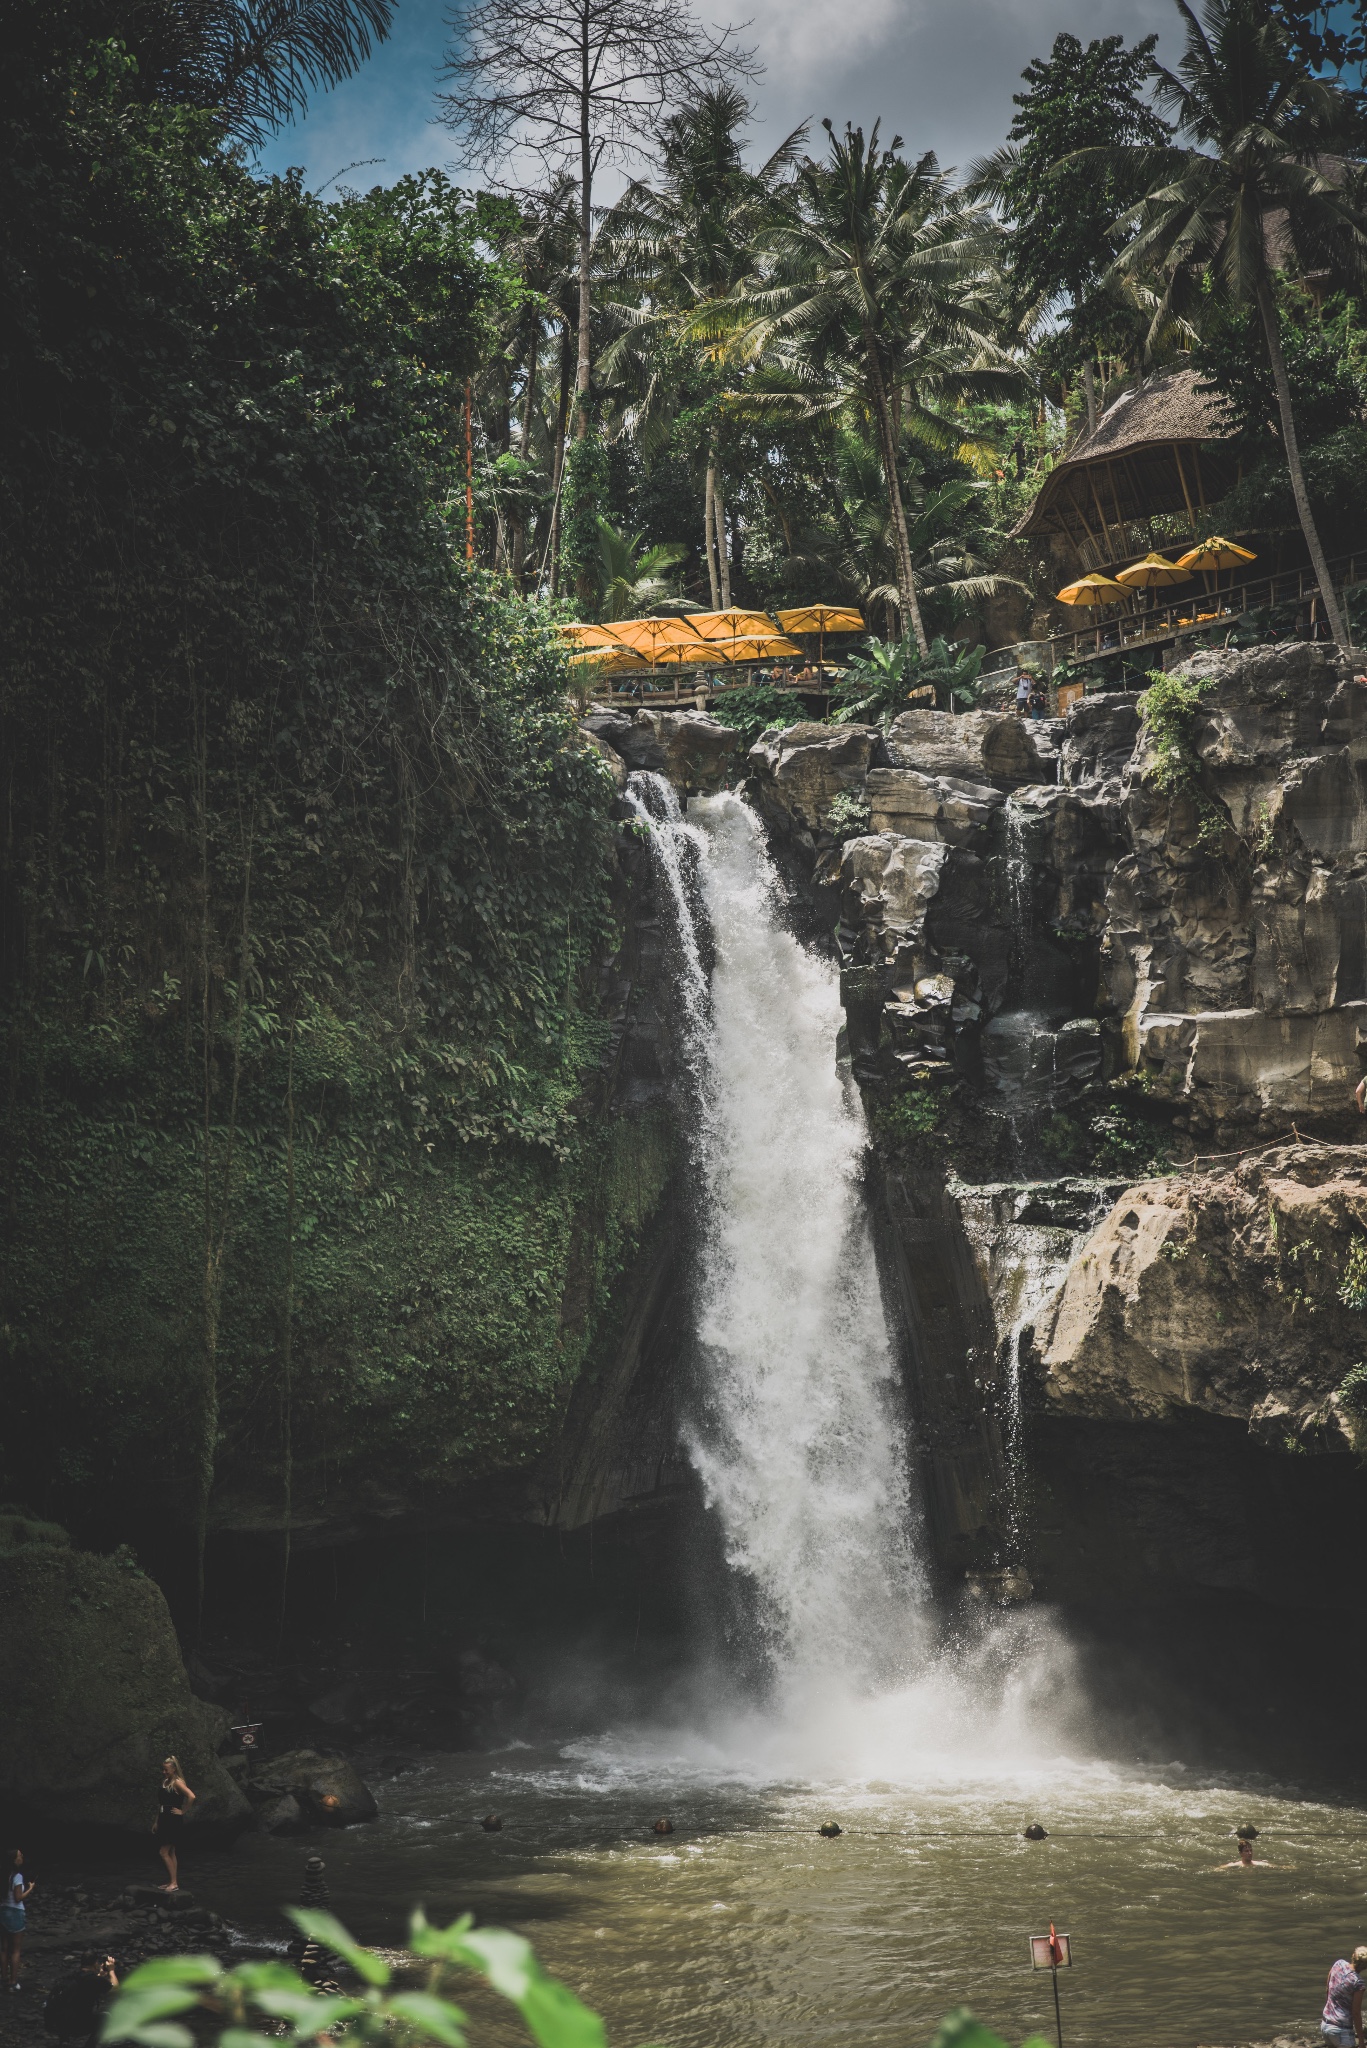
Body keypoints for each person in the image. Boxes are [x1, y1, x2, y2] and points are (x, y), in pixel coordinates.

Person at [43, 1950, 118, 2046]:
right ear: (95, 1964)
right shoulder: (93, 1980)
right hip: (76, 2026)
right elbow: (115, 1988)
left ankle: (64, 2041)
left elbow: (87, 1984)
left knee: (67, 2008)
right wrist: (111, 1970)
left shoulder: (72, 1977)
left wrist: (100, 1976)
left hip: (56, 2024)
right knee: (106, 2017)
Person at [153, 1755, 195, 1891]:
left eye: (166, 1770)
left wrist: (183, 1811)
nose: (164, 1772)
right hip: (164, 1819)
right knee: (171, 1852)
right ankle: (172, 1881)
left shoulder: (177, 1782)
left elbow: (191, 1796)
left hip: (172, 1820)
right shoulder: (165, 1781)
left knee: (163, 1852)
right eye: (163, 1770)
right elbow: (161, 1804)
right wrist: (156, 1822)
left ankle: (174, 1883)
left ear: (174, 1769)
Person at [1322, 1947, 1367, 2048]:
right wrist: (1361, 2041)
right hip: (1341, 2031)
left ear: (1353, 1956)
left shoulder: (1338, 1964)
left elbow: (1328, 1989)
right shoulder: (1358, 1983)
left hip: (1325, 2023)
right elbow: (1355, 2013)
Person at [1, 1849, 33, 1991]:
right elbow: (18, 1898)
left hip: (3, 1912)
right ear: (15, 1860)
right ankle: (13, 1982)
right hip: (15, 1913)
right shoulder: (17, 1876)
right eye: (20, 1856)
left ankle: (3, 1978)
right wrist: (30, 1889)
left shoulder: (3, 1875)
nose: (22, 1857)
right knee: (15, 1950)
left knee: (3, 1949)